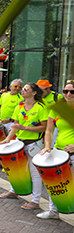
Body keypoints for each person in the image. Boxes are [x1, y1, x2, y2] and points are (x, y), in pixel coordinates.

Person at [0, 82, 47, 209]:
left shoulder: (40, 108)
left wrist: (24, 127)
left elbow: (44, 128)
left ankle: (35, 200)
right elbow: (15, 126)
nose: (22, 91)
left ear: (34, 92)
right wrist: (8, 139)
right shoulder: (19, 106)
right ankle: (14, 191)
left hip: (33, 144)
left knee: (34, 172)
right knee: (17, 169)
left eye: (26, 89)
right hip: (19, 142)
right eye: (23, 89)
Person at [37, 80, 74, 220]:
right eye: (65, 91)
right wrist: (47, 146)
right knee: (55, 182)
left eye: (72, 92)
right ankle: (53, 211)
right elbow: (48, 131)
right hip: (59, 151)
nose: (68, 94)